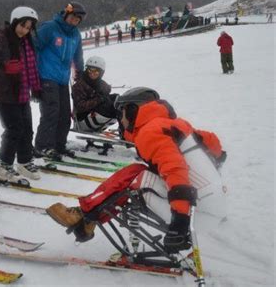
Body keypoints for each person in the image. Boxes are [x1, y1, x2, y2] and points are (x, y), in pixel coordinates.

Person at [47, 87, 226, 252]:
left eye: (122, 113)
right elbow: (212, 142)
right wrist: (213, 164)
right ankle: (88, 217)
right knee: (141, 173)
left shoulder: (150, 132)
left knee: (135, 175)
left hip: (194, 213)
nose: (121, 119)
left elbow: (174, 170)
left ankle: (85, 215)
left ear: (133, 111)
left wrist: (180, 222)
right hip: (213, 204)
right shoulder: (174, 124)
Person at [0, 6, 41, 182]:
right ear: (14, 22)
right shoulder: (0, 38)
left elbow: (31, 66)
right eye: (22, 26)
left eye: (28, 28)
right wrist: (4, 65)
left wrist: (36, 87)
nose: (25, 31)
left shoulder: (27, 41)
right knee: (14, 129)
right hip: (5, 92)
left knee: (27, 128)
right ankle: (4, 166)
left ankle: (25, 162)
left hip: (22, 92)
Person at [33, 2, 85, 159]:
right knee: (51, 112)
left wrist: (80, 71)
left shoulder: (75, 34)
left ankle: (58, 145)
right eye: (73, 17)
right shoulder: (50, 28)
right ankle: (43, 146)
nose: (75, 21)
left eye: (78, 19)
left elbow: (78, 55)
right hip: (46, 76)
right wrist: (33, 72)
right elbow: (34, 46)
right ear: (66, 14)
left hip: (62, 79)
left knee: (64, 114)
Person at [72, 56, 118, 133]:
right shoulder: (79, 85)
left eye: (96, 71)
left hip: (95, 115)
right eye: (90, 70)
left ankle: (126, 131)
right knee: (108, 105)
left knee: (117, 100)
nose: (92, 73)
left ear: (101, 73)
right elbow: (80, 106)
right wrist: (99, 99)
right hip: (83, 119)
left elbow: (107, 91)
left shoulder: (101, 84)